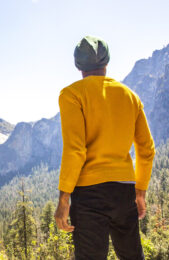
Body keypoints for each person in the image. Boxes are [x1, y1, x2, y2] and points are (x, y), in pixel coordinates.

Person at [54, 36, 155, 259]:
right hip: (124, 191)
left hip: (89, 194)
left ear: (78, 65)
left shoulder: (72, 94)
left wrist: (63, 200)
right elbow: (147, 149)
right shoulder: (130, 97)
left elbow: (75, 149)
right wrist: (140, 192)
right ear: (106, 63)